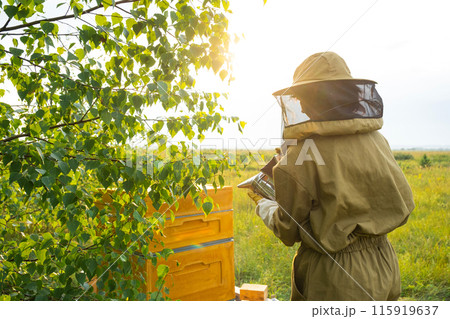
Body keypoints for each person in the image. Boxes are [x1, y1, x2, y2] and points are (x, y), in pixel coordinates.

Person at [249, 52, 415, 301]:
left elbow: (287, 227)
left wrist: (263, 204)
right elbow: (403, 201)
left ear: (309, 100)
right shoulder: (377, 140)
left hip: (336, 277)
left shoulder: (304, 150)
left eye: (302, 98)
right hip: (384, 264)